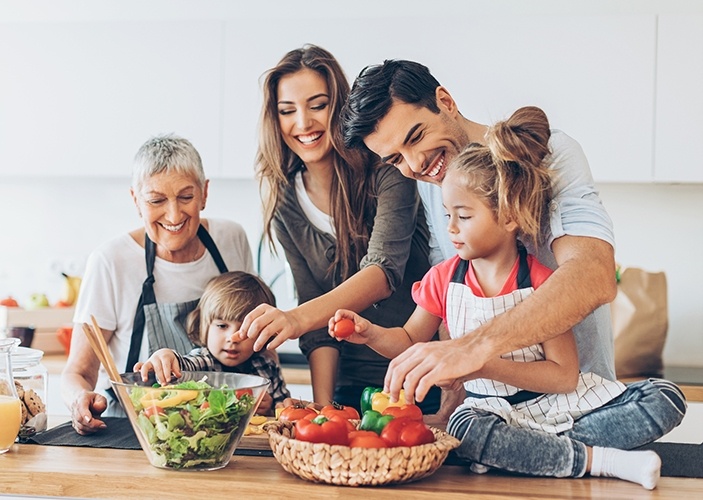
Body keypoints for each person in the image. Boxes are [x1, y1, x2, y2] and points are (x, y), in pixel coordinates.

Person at [331, 106, 686, 489]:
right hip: (492, 414)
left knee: (665, 397)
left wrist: (480, 363)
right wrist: (369, 333)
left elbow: (565, 376)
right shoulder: (442, 280)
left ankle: (523, 454)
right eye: (447, 214)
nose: (450, 228)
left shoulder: (542, 283)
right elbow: (407, 340)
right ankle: (596, 460)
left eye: (463, 216)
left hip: (558, 405)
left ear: (509, 217)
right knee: (467, 428)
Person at [341, 59, 619, 405]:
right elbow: (451, 302)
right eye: (396, 159)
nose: (415, 165)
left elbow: (594, 274)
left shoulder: (551, 154)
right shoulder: (434, 182)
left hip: (582, 400)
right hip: (492, 408)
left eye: (416, 137)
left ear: (445, 101)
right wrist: (452, 401)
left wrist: (474, 349)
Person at [236, 44, 441, 415]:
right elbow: (316, 325)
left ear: (340, 108)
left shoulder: (388, 171)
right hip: (348, 388)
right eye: (287, 111)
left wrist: (294, 319)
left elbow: (382, 273)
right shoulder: (285, 202)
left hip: (419, 378)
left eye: (318, 105)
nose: (303, 123)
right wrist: (322, 409)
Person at [62, 134, 255, 435]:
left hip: (221, 429)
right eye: (156, 200)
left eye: (186, 197)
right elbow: (78, 371)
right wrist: (79, 400)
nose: (174, 215)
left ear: (204, 193)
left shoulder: (231, 240)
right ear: (136, 201)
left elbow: (258, 338)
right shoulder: (111, 261)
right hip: (135, 432)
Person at [134, 271, 290, 416]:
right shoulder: (204, 361)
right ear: (204, 327)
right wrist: (166, 356)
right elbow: (183, 365)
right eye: (222, 326)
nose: (233, 338)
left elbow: (284, 409)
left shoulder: (268, 366)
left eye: (246, 330)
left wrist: (271, 408)